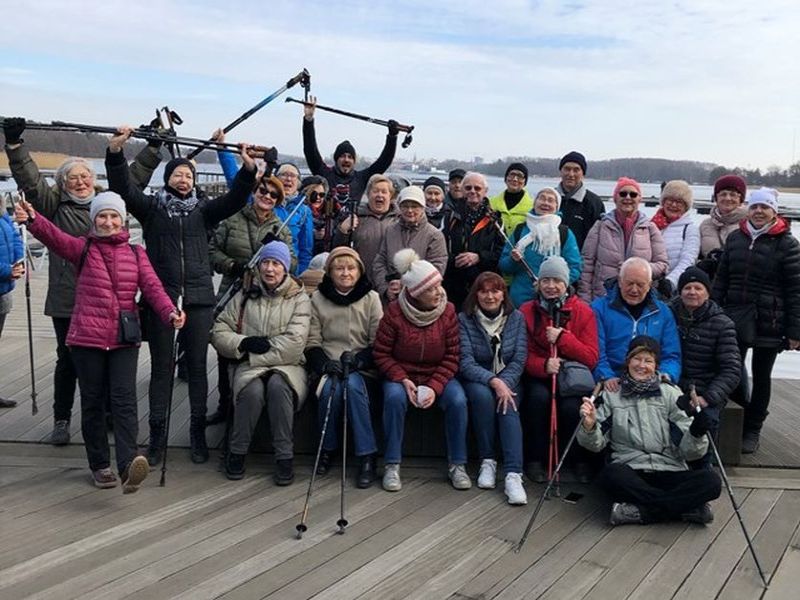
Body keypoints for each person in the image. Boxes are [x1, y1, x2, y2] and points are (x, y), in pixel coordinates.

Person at [3, 117, 160, 444]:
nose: (80, 182)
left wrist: (153, 146)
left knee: (107, 357)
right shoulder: (53, 204)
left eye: (85, 176)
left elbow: (134, 178)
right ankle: (62, 419)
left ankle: (105, 414)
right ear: (62, 184)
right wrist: (16, 146)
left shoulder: (109, 205)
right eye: (72, 178)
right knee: (69, 360)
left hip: (108, 300)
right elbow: (31, 182)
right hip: (68, 297)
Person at [106, 126, 256, 465]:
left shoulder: (205, 210)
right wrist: (115, 153)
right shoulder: (152, 209)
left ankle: (197, 433)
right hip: (162, 297)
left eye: (188, 175)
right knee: (161, 368)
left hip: (200, 298)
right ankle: (157, 437)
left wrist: (247, 170)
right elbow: (124, 189)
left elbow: (236, 198)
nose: (184, 179)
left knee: (198, 367)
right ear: (168, 179)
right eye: (178, 174)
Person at [16, 193, 184, 492]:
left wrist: (170, 312)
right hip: (87, 339)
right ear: (93, 220)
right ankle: (99, 465)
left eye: (114, 216)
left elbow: (153, 287)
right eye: (102, 217)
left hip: (123, 339)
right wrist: (32, 219)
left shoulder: (136, 254)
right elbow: (54, 238)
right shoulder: (82, 248)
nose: (108, 222)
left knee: (124, 400)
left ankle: (128, 464)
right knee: (92, 402)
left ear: (123, 220)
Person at [578, 336, 721, 525]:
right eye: (636, 359)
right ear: (628, 361)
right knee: (610, 475)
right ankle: (685, 510)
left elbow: (690, 453)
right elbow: (595, 445)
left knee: (711, 481)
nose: (641, 365)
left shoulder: (671, 393)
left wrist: (696, 432)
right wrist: (589, 425)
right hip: (631, 470)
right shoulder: (611, 395)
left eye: (648, 360)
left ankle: (641, 512)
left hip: (670, 469)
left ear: (656, 366)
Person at [211, 241, 311, 483]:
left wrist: (255, 355)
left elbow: (295, 344)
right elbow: (218, 330)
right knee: (252, 390)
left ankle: (284, 456)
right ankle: (237, 451)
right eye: (265, 262)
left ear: (285, 268)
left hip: (288, 365)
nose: (270, 269)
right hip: (249, 362)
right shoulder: (244, 294)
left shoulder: (298, 297)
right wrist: (243, 343)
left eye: (276, 263)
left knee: (279, 387)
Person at [712, 187, 800, 454]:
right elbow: (721, 279)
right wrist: (714, 311)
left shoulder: (788, 243)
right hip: (734, 316)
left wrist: (796, 330)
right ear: (748, 209)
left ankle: (753, 428)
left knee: (762, 375)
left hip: (770, 320)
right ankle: (737, 421)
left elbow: (796, 290)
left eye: (765, 207)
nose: (759, 211)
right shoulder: (737, 238)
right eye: (755, 206)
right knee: (733, 370)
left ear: (774, 211)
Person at [373, 249, 468, 491]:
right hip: (402, 373)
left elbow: (453, 355)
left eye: (438, 286)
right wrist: (401, 379)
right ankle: (392, 464)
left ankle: (458, 464)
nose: (438, 292)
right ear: (415, 293)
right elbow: (381, 353)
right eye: (430, 289)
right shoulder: (394, 312)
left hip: (438, 373)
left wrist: (435, 387)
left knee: (457, 400)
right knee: (393, 398)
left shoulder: (447, 311)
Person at [206, 174, 295, 428]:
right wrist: (233, 265)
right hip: (232, 291)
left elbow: (293, 262)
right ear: (254, 192)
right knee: (225, 349)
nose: (267, 196)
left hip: (263, 298)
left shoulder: (282, 228)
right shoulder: (232, 220)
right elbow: (212, 251)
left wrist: (273, 257)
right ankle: (224, 405)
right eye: (263, 191)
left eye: (273, 194)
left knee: (250, 350)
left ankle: (245, 405)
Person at [305, 247, 384, 488]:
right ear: (329, 272)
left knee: (352, 386)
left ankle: (366, 455)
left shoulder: (371, 298)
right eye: (339, 268)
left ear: (359, 271)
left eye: (350, 268)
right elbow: (312, 340)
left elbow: (378, 341)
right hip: (329, 365)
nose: (345, 273)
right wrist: (324, 363)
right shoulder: (318, 298)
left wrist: (360, 360)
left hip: (360, 366)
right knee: (332, 389)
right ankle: (326, 447)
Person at [520, 256, 599, 483]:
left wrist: (564, 339)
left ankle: (578, 460)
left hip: (572, 375)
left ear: (566, 283)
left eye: (557, 280)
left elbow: (591, 357)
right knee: (538, 399)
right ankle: (535, 459)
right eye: (546, 280)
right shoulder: (527, 311)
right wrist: (544, 365)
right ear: (538, 283)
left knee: (572, 407)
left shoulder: (583, 311)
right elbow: (521, 353)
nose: (551, 286)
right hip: (540, 374)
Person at [458, 273, 528, 505]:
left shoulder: (516, 318)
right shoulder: (465, 319)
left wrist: (504, 383)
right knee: (482, 397)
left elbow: (519, 358)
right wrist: (493, 381)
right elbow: (465, 361)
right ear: (476, 294)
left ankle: (513, 474)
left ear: (503, 294)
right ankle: (487, 461)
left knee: (508, 403)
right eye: (484, 291)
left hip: (509, 377)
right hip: (479, 377)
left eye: (495, 291)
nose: (490, 296)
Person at [669, 267, 740, 468]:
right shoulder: (668, 315)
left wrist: (708, 397)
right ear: (680, 291)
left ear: (707, 292)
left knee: (705, 421)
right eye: (687, 287)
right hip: (675, 385)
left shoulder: (723, 324)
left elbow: (732, 370)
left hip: (707, 390)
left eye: (698, 288)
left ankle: (702, 470)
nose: (692, 292)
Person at [592, 257, 681, 389]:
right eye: (629, 283)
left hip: (651, 380)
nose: (634, 290)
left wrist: (666, 374)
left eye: (640, 285)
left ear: (650, 285)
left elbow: (672, 354)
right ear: (620, 282)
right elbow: (596, 352)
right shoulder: (598, 309)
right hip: (613, 380)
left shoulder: (663, 312)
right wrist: (606, 376)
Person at [579, 177, 668, 302]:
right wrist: (586, 300)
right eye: (622, 193)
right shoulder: (600, 226)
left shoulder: (650, 228)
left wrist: (639, 268)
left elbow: (662, 265)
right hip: (604, 298)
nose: (628, 197)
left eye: (633, 194)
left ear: (639, 199)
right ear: (615, 198)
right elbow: (586, 266)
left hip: (638, 299)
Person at [302, 95, 399, 210]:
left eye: (350, 157)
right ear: (336, 159)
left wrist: (392, 137)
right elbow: (310, 150)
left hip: (352, 224)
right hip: (325, 224)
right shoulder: (324, 173)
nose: (346, 159)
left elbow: (384, 161)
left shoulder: (362, 178)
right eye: (342, 156)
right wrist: (308, 120)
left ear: (354, 161)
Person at [498, 187, 581, 307]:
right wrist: (513, 260)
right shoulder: (520, 230)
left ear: (557, 206)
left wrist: (553, 286)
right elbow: (504, 266)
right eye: (541, 198)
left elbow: (575, 267)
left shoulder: (564, 233)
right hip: (520, 300)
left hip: (552, 301)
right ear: (535, 202)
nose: (545, 203)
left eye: (550, 200)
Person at [372, 186, 447, 303]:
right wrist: (386, 288)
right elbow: (380, 261)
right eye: (405, 206)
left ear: (423, 208)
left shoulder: (434, 235)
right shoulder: (390, 230)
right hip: (391, 298)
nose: (410, 210)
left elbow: (437, 268)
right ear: (399, 207)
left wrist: (405, 285)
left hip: (420, 300)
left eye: (415, 206)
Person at [442, 172, 503, 309]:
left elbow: (501, 253)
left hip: (483, 287)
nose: (472, 192)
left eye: (477, 188)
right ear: (462, 190)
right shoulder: (450, 216)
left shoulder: (495, 219)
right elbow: (439, 250)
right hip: (454, 284)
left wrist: (479, 257)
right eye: (468, 188)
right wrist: (455, 259)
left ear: (485, 191)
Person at [333, 174, 397, 284]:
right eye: (375, 191)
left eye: (384, 192)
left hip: (390, 282)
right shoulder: (355, 217)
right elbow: (338, 250)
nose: (379, 195)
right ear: (368, 194)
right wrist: (342, 231)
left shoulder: (399, 220)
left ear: (390, 196)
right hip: (361, 281)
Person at [651, 180, 700, 293]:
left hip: (672, 290)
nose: (673, 205)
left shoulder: (690, 229)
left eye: (679, 202)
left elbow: (688, 260)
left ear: (686, 206)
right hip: (648, 287)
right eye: (670, 200)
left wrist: (670, 282)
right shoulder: (651, 225)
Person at [698, 174, 748, 278]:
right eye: (723, 194)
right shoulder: (705, 225)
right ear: (716, 198)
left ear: (741, 199)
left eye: (733, 194)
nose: (728, 198)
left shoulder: (749, 224)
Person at [555, 151, 605, 250]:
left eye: (576, 170)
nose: (571, 174)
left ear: (583, 174)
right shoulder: (549, 199)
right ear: (561, 171)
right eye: (567, 169)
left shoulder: (594, 203)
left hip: (580, 261)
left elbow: (600, 239)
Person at [0, 205, 23, 408]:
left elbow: (14, 237)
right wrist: (6, 270)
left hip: (2, 290)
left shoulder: (2, 212)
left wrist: (19, 260)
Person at [275, 163, 315, 274]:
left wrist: (300, 273)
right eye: (284, 174)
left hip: (290, 270)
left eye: (293, 176)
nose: (288, 179)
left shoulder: (304, 211)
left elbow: (306, 248)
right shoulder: (267, 202)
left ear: (298, 182)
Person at [489, 162, 533, 236]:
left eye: (520, 176)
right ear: (506, 178)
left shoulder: (532, 207)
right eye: (512, 174)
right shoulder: (491, 203)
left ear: (525, 181)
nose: (515, 179)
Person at [301, 175, 333, 255]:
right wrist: (312, 234)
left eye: (321, 195)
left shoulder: (329, 212)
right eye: (314, 194)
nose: (318, 198)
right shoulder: (298, 212)